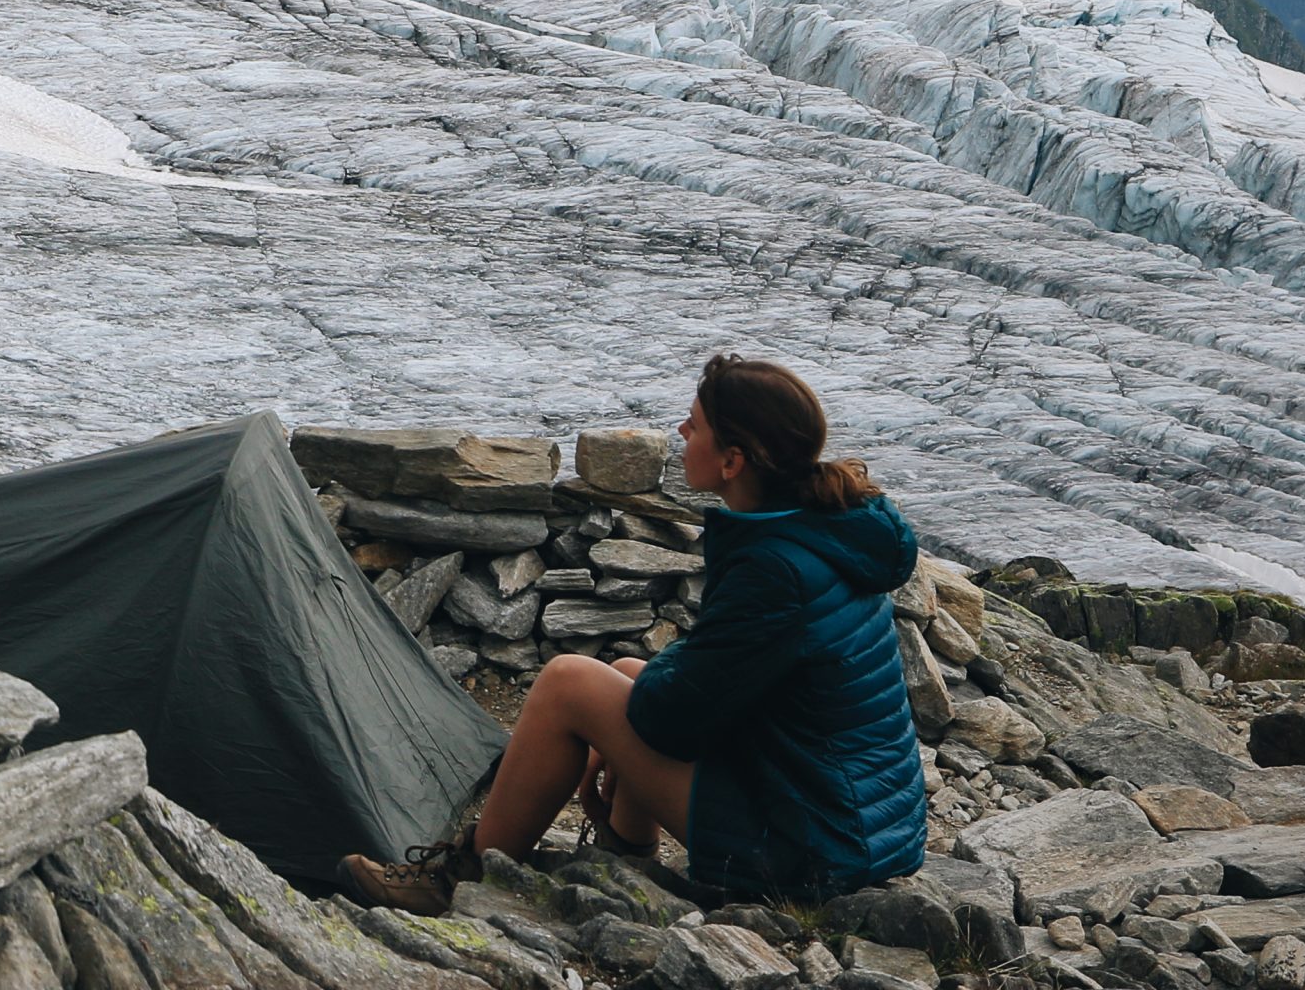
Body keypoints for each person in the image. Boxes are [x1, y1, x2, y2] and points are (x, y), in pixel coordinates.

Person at [343, 354, 930, 913]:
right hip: (857, 821)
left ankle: (461, 878)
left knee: (569, 683)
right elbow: (726, 686)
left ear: (733, 461)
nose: (680, 430)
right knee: (628, 675)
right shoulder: (826, 528)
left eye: (694, 425)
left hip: (814, 853)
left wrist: (616, 733)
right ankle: (625, 854)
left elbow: (675, 719)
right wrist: (629, 718)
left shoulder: (774, 569)